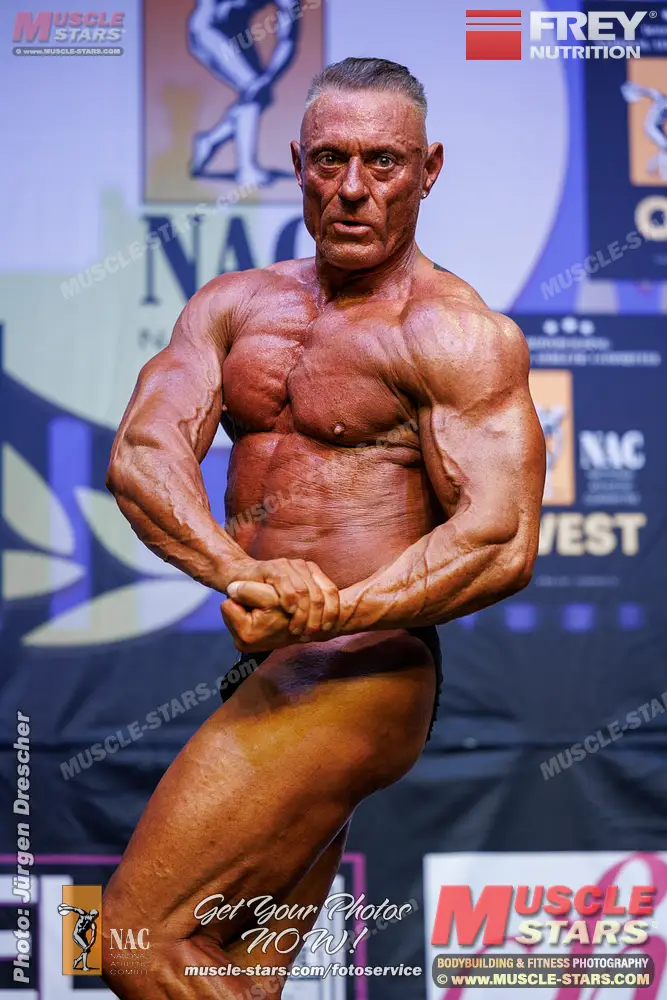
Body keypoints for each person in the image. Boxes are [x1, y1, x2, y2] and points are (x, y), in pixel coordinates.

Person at [101, 57, 545, 998]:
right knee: (234, 973)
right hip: (278, 663)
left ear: (427, 170)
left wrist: (334, 610)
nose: (352, 188)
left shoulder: (454, 332)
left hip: (358, 672)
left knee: (140, 944)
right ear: (297, 162)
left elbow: (498, 539)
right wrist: (239, 572)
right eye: (330, 159)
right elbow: (143, 455)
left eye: (382, 162)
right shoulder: (232, 306)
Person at [188, 0, 301, 184]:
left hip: (236, 30)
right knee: (252, 90)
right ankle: (246, 168)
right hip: (208, 28)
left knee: (261, 94)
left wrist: (268, 79)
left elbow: (287, 42)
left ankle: (210, 141)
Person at [57, 904, 99, 972]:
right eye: (92, 916)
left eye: (95, 917)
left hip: (83, 936)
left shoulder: (93, 925)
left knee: (87, 950)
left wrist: (89, 946)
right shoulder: (82, 913)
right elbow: (74, 909)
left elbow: (93, 937)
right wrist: (64, 908)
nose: (93, 918)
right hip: (76, 935)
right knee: (85, 949)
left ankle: (77, 960)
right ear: (89, 914)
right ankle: (84, 967)